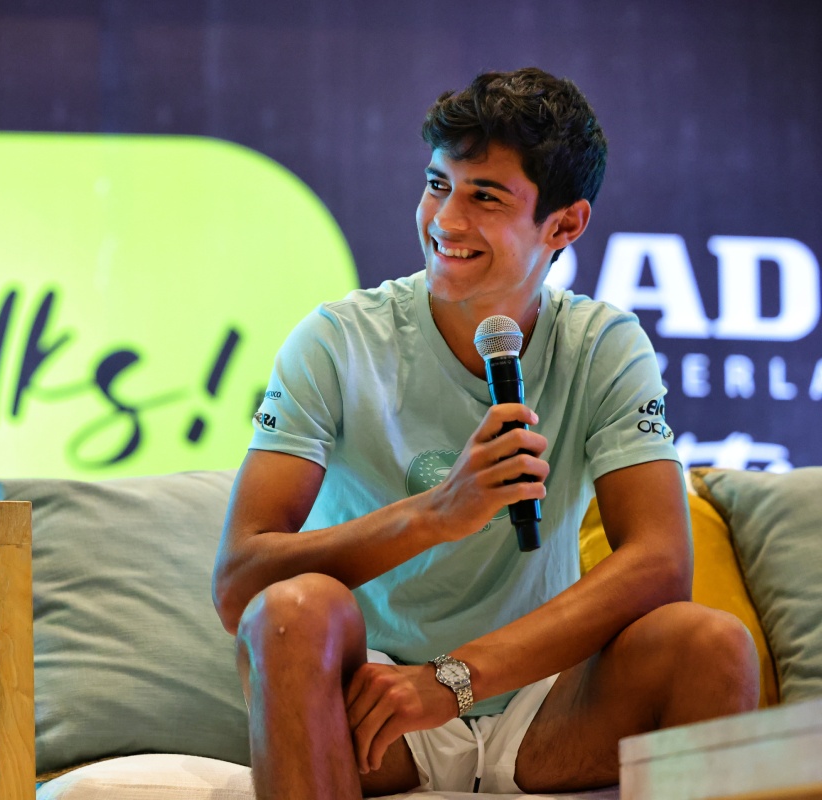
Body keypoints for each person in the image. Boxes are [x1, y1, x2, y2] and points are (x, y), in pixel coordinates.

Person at [211, 67, 758, 799]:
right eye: (438, 184)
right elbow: (238, 584)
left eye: (485, 197)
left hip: (540, 698)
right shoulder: (336, 339)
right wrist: (435, 514)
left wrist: (455, 680)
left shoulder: (604, 344)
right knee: (294, 609)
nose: (445, 220)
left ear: (564, 225)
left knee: (712, 644)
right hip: (376, 704)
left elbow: (660, 565)